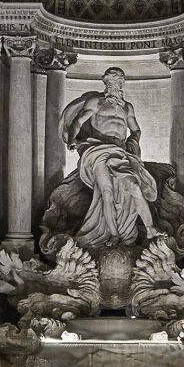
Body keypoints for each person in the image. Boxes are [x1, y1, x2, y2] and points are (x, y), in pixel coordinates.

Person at [58, 67, 160, 249]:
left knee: (135, 186)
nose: (115, 86)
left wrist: (132, 142)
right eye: (111, 82)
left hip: (119, 152)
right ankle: (113, 234)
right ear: (105, 83)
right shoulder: (95, 101)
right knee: (106, 193)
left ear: (122, 84)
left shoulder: (127, 107)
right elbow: (79, 121)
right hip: (97, 150)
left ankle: (151, 228)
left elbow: (136, 129)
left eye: (118, 82)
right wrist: (72, 139)